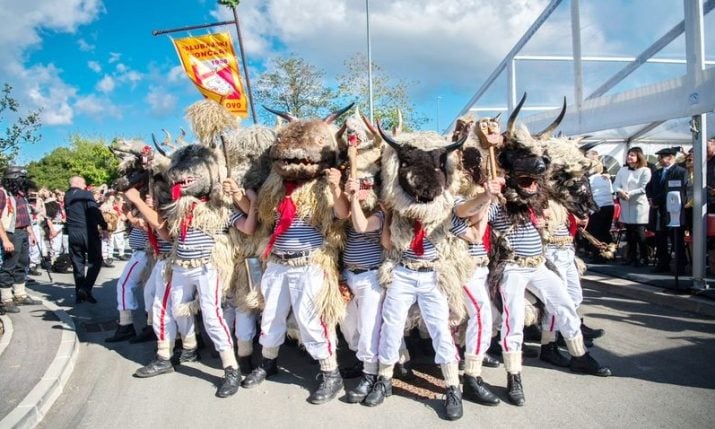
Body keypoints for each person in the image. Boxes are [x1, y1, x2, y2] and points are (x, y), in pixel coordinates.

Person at [0, 166, 42, 314]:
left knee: (22, 264)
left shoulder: (20, 194)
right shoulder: (2, 193)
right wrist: (5, 240)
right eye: (22, 179)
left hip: (23, 232)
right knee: (9, 266)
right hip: (11, 233)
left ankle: (19, 294)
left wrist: (31, 233)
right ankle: (6, 299)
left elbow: (25, 216)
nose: (25, 182)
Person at [65, 176, 109, 304]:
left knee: (78, 264)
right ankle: (86, 288)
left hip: (73, 233)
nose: (85, 186)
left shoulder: (67, 195)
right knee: (96, 261)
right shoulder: (85, 194)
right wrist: (104, 225)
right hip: (87, 232)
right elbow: (94, 211)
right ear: (78, 183)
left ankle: (81, 293)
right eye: (84, 184)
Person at [647, 147, 688, 274]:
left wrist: (656, 200)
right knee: (660, 238)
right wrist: (650, 199)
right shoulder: (657, 173)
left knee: (676, 239)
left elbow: (674, 190)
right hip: (658, 210)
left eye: (662, 157)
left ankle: (680, 265)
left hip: (673, 210)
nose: (660, 160)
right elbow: (649, 187)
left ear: (670, 157)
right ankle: (662, 263)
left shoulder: (680, 171)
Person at [613, 148, 652, 267]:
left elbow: (643, 188)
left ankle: (644, 257)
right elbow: (615, 184)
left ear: (639, 157)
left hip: (638, 204)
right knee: (629, 233)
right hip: (626, 204)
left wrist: (628, 194)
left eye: (632, 155)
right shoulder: (622, 170)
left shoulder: (645, 170)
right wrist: (620, 192)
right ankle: (631, 257)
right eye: (628, 155)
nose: (629, 157)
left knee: (639, 233)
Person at [586, 161, 615, 261]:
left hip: (597, 206)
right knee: (606, 231)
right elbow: (611, 192)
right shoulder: (606, 179)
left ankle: (598, 255)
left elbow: (587, 194)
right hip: (609, 205)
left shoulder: (590, 179)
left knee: (596, 232)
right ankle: (611, 253)